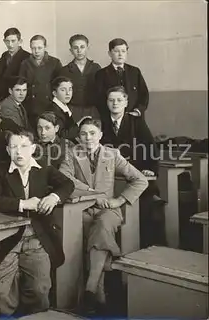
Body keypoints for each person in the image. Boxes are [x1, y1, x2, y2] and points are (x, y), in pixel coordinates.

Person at [59, 118, 147, 314]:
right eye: (83, 134)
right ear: (78, 137)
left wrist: (120, 200)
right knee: (93, 230)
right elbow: (64, 179)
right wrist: (93, 194)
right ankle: (97, 292)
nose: (88, 137)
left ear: (100, 135)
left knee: (103, 225)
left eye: (92, 133)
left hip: (108, 210)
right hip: (81, 209)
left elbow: (140, 180)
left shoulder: (112, 155)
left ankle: (90, 287)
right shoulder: (72, 154)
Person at [0, 129, 75, 316]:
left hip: (37, 239)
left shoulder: (44, 169)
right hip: (8, 240)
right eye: (14, 147)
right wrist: (23, 204)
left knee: (40, 290)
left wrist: (54, 197)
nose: (19, 151)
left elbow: (68, 184)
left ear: (33, 148)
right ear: (7, 150)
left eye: (24, 146)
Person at [100, 86, 166, 247]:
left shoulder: (136, 121)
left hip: (135, 171)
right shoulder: (101, 123)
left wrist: (151, 168)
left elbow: (151, 146)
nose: (115, 103)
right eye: (111, 100)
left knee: (146, 203)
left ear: (126, 103)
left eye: (119, 100)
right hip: (111, 174)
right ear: (106, 102)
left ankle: (146, 245)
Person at [95, 38, 149, 121]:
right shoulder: (101, 74)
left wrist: (138, 111)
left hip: (134, 117)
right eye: (116, 51)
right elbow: (99, 99)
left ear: (127, 53)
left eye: (123, 51)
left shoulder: (135, 71)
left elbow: (144, 94)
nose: (120, 54)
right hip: (111, 119)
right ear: (109, 53)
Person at [57, 34, 101, 120]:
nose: (79, 51)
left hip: (93, 109)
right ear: (71, 50)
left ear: (87, 48)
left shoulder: (96, 68)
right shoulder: (64, 70)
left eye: (82, 47)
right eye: (75, 48)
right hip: (72, 110)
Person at [19, 35, 62, 114]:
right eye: (33, 48)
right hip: (31, 105)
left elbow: (59, 85)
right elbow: (22, 84)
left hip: (49, 105)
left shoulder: (55, 62)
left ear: (45, 47)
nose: (36, 51)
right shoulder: (25, 63)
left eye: (39, 48)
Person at [0, 27, 31, 100]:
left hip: (20, 98)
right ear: (4, 41)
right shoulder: (4, 55)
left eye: (13, 41)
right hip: (4, 97)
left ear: (20, 41)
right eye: (7, 41)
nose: (10, 44)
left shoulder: (27, 57)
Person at [46, 76, 79, 142]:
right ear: (54, 93)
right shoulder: (53, 111)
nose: (68, 93)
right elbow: (62, 135)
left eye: (70, 89)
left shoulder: (63, 107)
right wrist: (78, 125)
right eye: (63, 90)